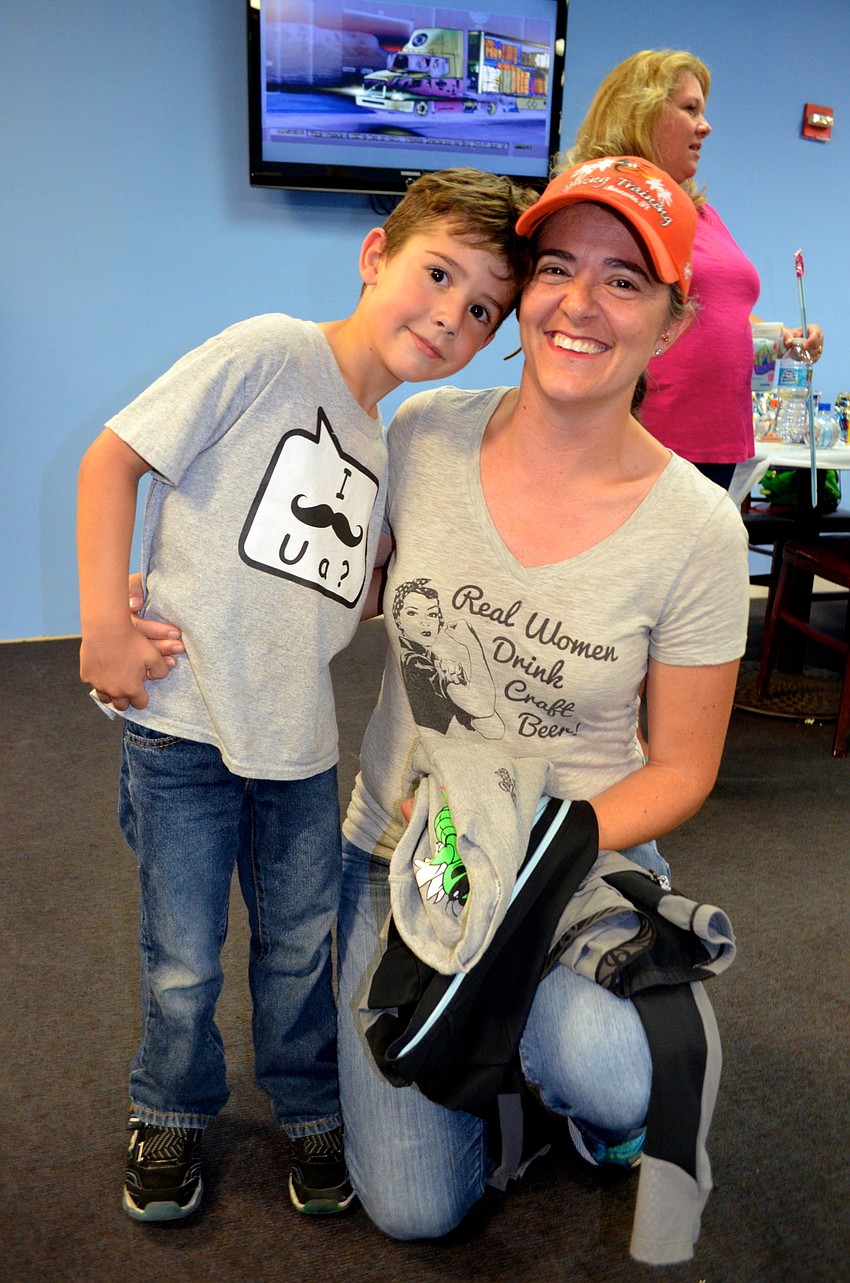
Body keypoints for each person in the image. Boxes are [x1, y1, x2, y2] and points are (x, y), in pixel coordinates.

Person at [76, 167, 537, 1224]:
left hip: (297, 744)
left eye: (480, 310)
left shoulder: (390, 441)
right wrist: (106, 616)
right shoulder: (271, 349)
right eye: (436, 274)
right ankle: (171, 1102)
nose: (449, 315)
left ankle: (307, 1100)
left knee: (298, 945)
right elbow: (112, 460)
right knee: (183, 955)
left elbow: (339, 592)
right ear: (376, 256)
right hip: (183, 730)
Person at [333, 157, 751, 1264]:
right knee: (414, 1208)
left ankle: (550, 1052)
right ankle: (505, 1078)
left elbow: (683, 768)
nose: (577, 303)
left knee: (624, 1070)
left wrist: (538, 846)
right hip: (403, 855)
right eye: (555, 266)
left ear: (670, 322)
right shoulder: (423, 436)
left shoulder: (696, 530)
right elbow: (332, 588)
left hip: (570, 867)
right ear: (521, 291)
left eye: (623, 280)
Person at [563, 49, 824, 490]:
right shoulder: (606, 205)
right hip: (648, 436)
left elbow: (716, 306)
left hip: (720, 436)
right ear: (639, 114)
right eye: (689, 109)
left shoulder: (702, 214)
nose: (706, 126)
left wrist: (779, 339)